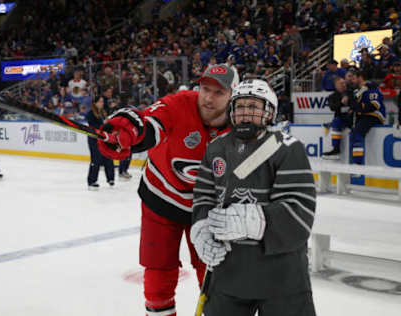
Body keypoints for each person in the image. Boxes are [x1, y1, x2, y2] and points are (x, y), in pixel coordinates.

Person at [97, 64, 238, 316]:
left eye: (219, 92)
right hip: (161, 198)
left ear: (232, 95)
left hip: (208, 209)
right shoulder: (178, 104)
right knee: (158, 274)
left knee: (216, 277)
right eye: (205, 89)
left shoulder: (241, 123)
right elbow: (149, 124)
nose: (208, 97)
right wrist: (129, 130)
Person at [191, 79, 317, 316]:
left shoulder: (288, 148)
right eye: (240, 106)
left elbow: (300, 213)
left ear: (269, 112)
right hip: (229, 272)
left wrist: (248, 220)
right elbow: (203, 197)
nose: (246, 113)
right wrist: (203, 231)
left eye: (254, 106)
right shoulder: (216, 148)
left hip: (282, 276)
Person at [350, 70, 386, 164]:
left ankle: (357, 164)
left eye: (354, 78)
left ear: (360, 77)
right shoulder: (360, 90)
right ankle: (356, 162)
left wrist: (359, 107)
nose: (352, 80)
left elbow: (375, 105)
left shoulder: (371, 88)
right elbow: (353, 103)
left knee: (357, 133)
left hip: (374, 115)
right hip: (365, 116)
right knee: (354, 133)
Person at [85, 95, 115, 190]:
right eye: (100, 101)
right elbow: (94, 127)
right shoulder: (90, 114)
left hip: (105, 139)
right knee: (96, 159)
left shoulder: (103, 113)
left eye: (102, 101)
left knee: (108, 158)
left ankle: (110, 178)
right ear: (95, 103)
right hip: (94, 139)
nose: (102, 103)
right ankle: (92, 181)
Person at [322, 77, 355, 159]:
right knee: (336, 121)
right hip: (341, 119)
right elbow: (332, 107)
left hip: (353, 118)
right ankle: (336, 149)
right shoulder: (332, 96)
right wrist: (341, 103)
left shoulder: (352, 93)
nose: (344, 85)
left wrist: (350, 101)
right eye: (341, 84)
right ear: (336, 86)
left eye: (344, 83)